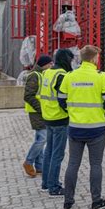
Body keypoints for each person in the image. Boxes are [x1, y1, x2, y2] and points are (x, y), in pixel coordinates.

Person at [58, 45, 105, 209]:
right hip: (96, 128)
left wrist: (71, 113)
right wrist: (103, 112)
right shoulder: (101, 76)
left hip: (75, 128)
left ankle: (68, 202)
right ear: (93, 58)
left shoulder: (70, 76)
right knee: (95, 165)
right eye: (97, 57)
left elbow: (61, 99)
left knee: (73, 164)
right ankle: (96, 201)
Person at [40, 49, 74, 197]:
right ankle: (54, 187)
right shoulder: (61, 75)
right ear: (66, 59)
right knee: (57, 154)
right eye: (71, 59)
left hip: (48, 116)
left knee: (49, 151)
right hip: (59, 118)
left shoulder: (47, 72)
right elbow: (63, 99)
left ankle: (46, 183)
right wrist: (70, 112)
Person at [22, 55, 53, 178]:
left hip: (41, 112)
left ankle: (40, 166)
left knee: (40, 138)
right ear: (44, 64)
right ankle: (28, 162)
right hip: (37, 112)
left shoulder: (41, 75)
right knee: (42, 139)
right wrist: (41, 108)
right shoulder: (34, 75)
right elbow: (28, 96)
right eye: (50, 64)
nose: (51, 66)